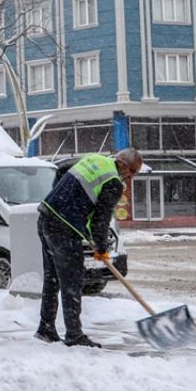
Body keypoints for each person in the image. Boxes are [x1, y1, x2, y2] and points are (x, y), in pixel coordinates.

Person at [36, 147, 143, 348]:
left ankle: (46, 328)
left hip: (46, 217)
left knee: (52, 279)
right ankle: (74, 335)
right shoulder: (114, 182)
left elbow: (62, 169)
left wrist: (63, 200)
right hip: (64, 228)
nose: (132, 177)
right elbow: (100, 220)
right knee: (72, 281)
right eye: (132, 171)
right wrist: (101, 248)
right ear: (122, 163)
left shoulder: (95, 159)